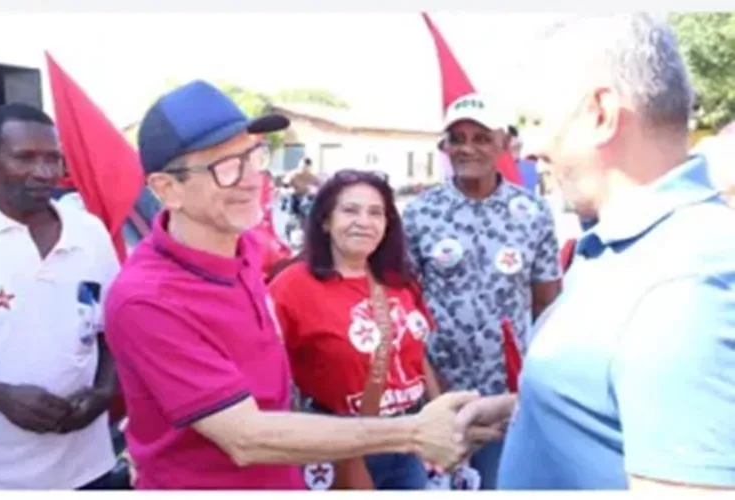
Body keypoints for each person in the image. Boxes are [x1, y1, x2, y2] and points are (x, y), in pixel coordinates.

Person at [103, 80, 512, 490]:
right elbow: (245, 437)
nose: (250, 180)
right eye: (224, 167)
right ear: (166, 189)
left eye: (253, 155)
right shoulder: (147, 298)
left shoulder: (247, 248)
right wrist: (414, 433)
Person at [457, 13, 735, 491]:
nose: (530, 148)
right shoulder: (632, 246)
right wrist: (526, 407)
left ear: (601, 114)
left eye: (538, 121)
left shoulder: (684, 289)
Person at [269, 169, 480, 489]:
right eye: (350, 210)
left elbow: (418, 355)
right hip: (341, 444)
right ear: (325, 221)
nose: (364, 221)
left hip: (408, 439)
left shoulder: (399, 280)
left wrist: (443, 422)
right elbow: (267, 368)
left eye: (375, 212)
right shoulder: (291, 286)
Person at [402, 93, 563, 489]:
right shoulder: (421, 213)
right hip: (435, 392)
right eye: (457, 138)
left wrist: (536, 385)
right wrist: (429, 386)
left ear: (503, 144)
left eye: (481, 137)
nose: (467, 148)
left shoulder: (533, 213)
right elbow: (404, 305)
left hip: (507, 397)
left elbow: (549, 304)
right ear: (444, 147)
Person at [0, 103, 120, 489]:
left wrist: (104, 390)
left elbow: (112, 328)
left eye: (53, 159)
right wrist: (2, 397)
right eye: (24, 158)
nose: (45, 173)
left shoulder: (89, 232)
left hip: (87, 467)